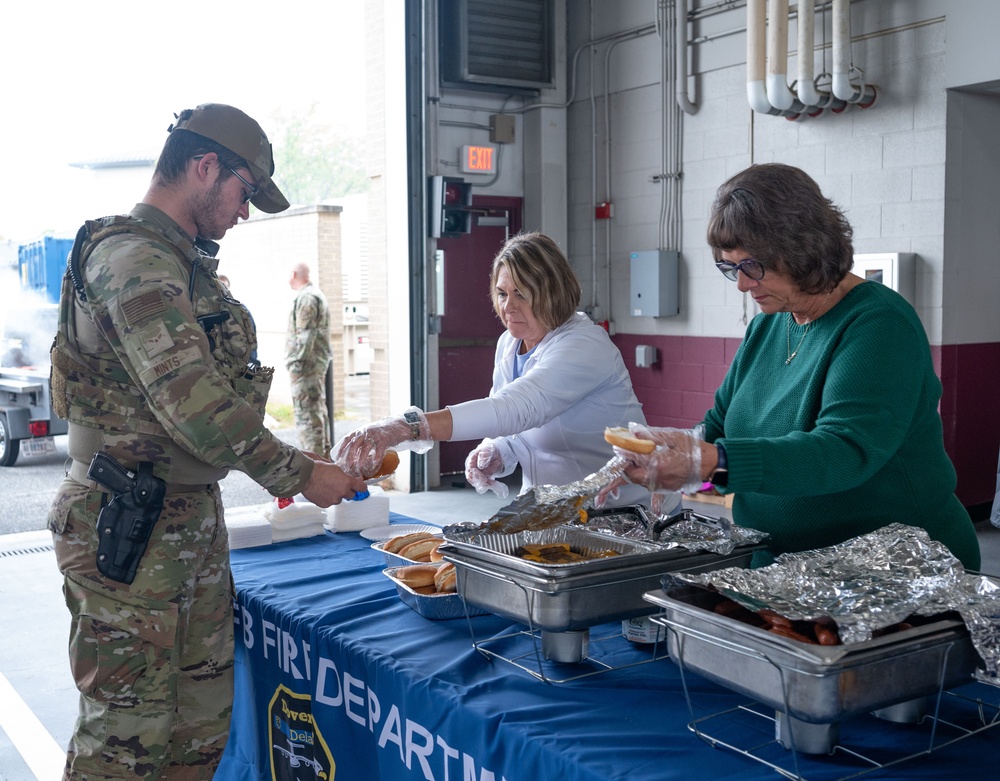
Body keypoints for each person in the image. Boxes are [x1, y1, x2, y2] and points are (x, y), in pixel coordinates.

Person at [47, 103, 368, 780]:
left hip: (185, 520)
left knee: (195, 733)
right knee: (125, 741)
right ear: (204, 167)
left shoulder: (181, 266)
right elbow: (195, 403)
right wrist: (299, 474)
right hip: (128, 529)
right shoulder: (132, 259)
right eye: (244, 191)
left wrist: (296, 460)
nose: (244, 212)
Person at [604, 163, 981, 570]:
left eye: (751, 266)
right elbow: (720, 424)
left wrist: (710, 461)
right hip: (786, 563)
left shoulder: (879, 324)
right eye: (730, 267)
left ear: (801, 248)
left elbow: (844, 451)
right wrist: (671, 449)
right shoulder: (768, 325)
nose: (742, 284)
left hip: (893, 566)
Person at [335, 231, 658, 510]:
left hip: (624, 511)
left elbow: (516, 409)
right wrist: (499, 449)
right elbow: (514, 427)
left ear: (553, 291)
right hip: (558, 514)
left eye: (522, 293)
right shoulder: (509, 344)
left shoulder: (584, 344)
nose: (508, 306)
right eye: (502, 293)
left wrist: (406, 427)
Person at [286, 261, 333, 455]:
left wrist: (296, 365)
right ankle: (324, 459)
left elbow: (304, 336)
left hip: (306, 366)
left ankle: (315, 464)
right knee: (316, 412)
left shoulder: (307, 297)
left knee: (307, 416)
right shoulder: (314, 294)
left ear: (294, 274)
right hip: (314, 364)